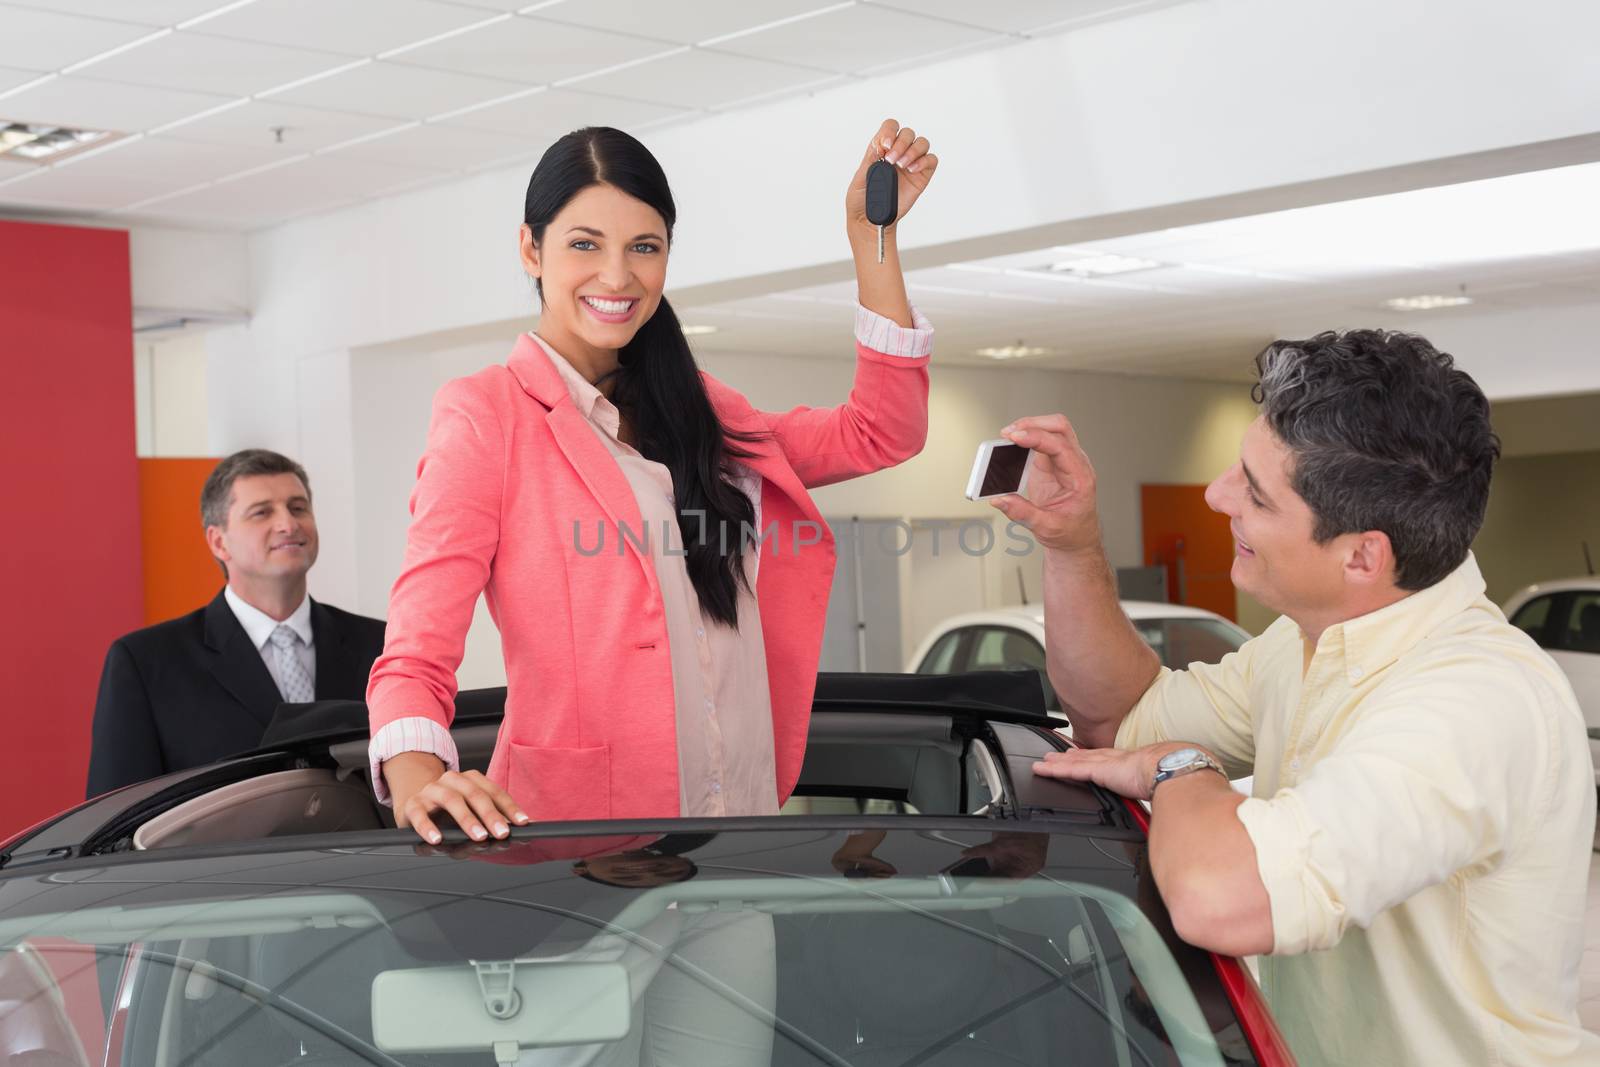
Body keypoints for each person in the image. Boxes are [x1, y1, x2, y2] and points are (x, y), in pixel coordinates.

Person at [995, 330, 1598, 1065]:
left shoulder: (1472, 703)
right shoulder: (1310, 638)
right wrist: (1072, 544)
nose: (1217, 496)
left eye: (1253, 490)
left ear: (1361, 555)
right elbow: (1121, 721)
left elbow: (1223, 896)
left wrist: (1184, 767)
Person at [370, 120, 939, 844]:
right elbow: (415, 651)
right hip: (581, 852)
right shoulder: (487, 414)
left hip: (741, 833)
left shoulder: (700, 407)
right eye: (584, 244)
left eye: (645, 247)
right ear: (530, 249)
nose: (617, 276)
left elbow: (880, 430)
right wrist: (420, 775)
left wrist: (873, 242)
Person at [86, 450, 386, 796]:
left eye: (298, 507)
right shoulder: (146, 662)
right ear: (218, 541)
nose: (288, 524)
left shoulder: (382, 645)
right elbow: (114, 815)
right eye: (262, 512)